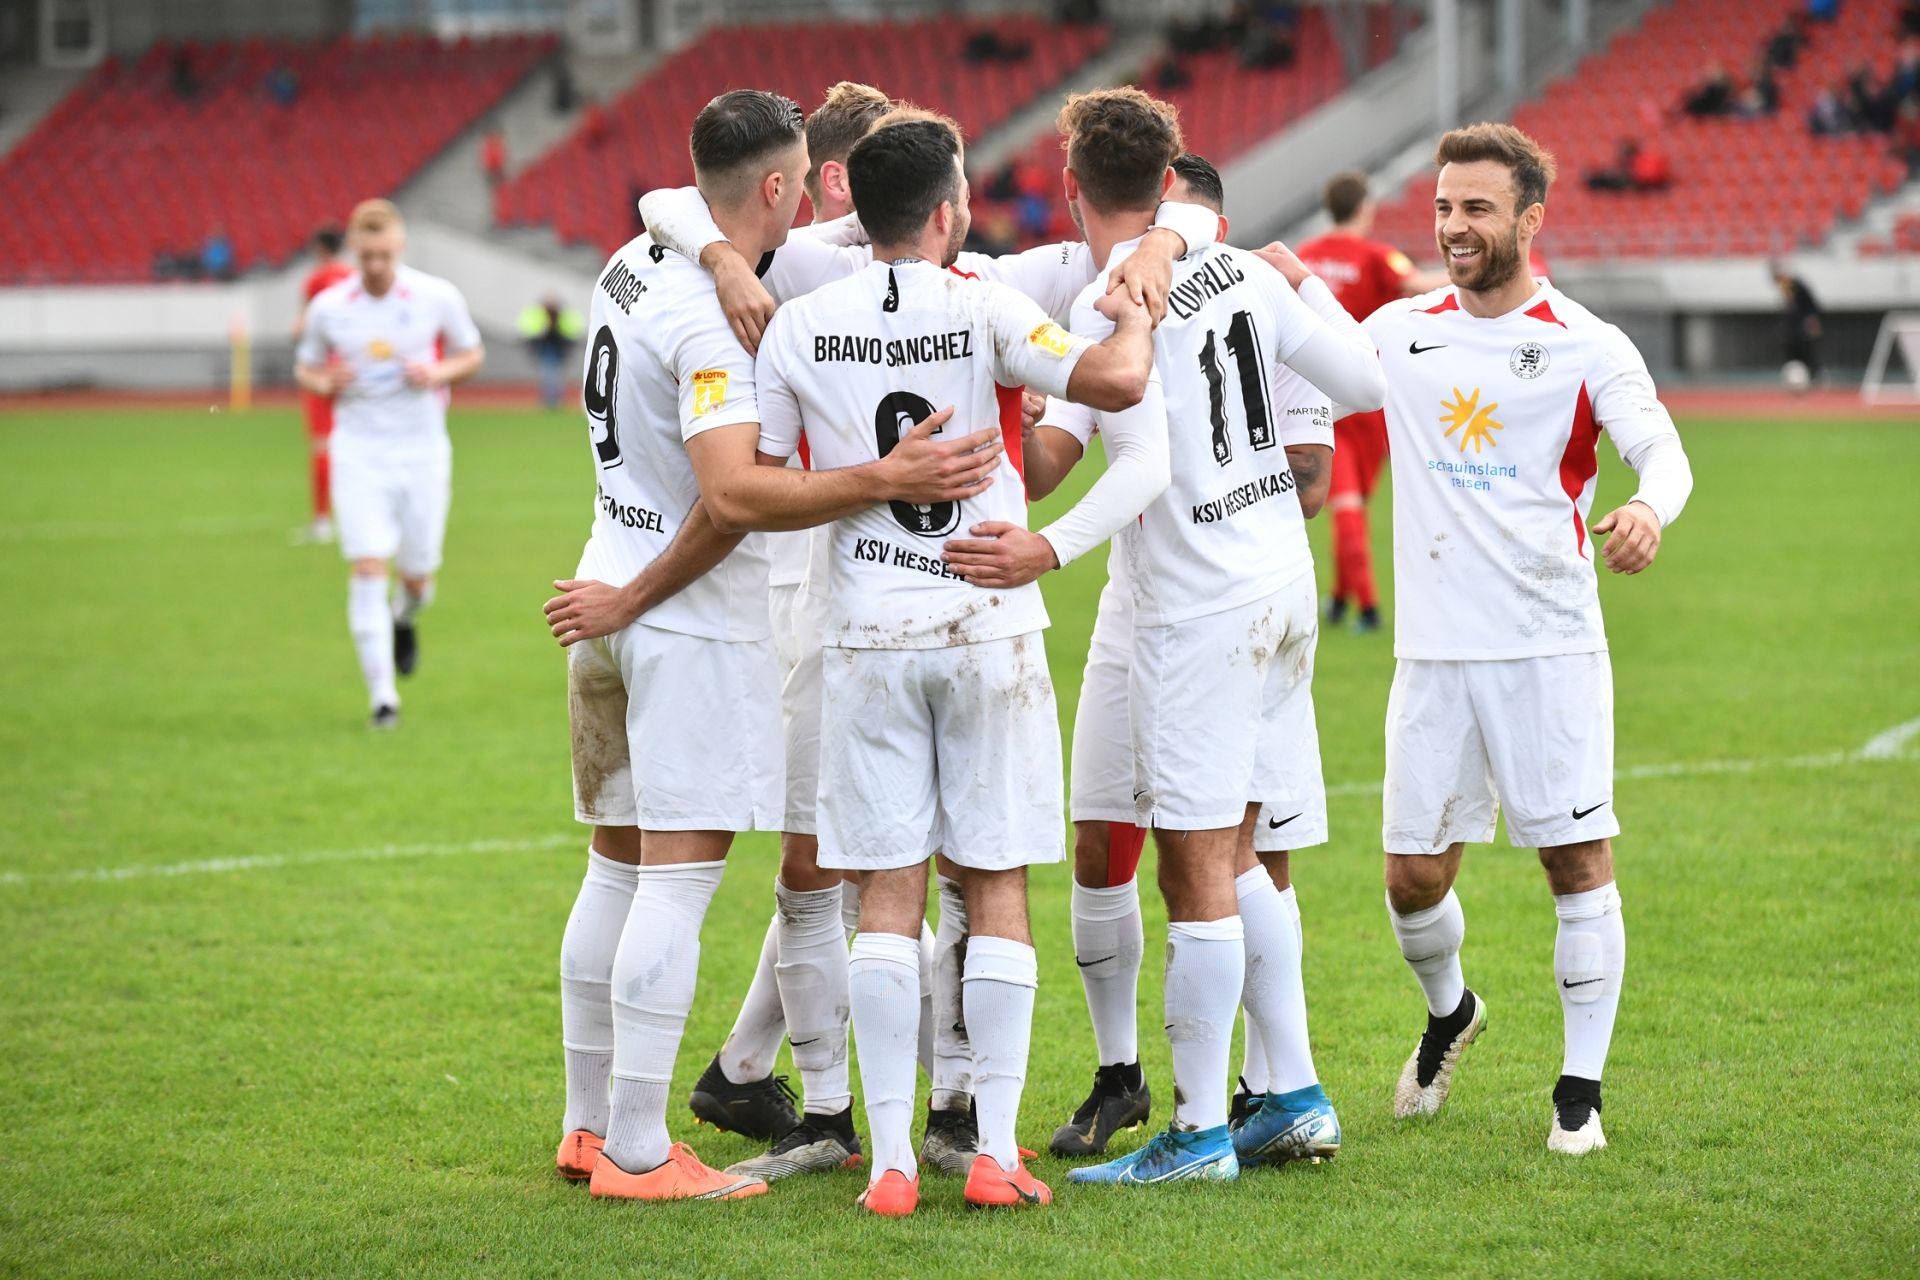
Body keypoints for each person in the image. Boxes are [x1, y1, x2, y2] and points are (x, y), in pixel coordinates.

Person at [635, 92, 1216, 1183]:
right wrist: (1140, 305)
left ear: (853, 197)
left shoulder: (799, 314)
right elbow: (1116, 383)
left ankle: (891, 1161)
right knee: (995, 882)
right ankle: (992, 1149)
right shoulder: (988, 302)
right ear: (949, 212)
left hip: (862, 629)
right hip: (986, 617)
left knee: (886, 891)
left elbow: (757, 481)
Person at [540, 88, 965, 1204]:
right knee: (675, 886)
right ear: (780, 186)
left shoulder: (633, 258)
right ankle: (638, 1148)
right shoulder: (707, 313)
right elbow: (731, 495)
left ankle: (587, 1126)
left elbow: (668, 200)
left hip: (604, 582)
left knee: (612, 870)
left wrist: (619, 595)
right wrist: (883, 476)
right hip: (671, 616)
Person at [956, 95, 1383, 1187]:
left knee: (1196, 861)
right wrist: (1306, 282)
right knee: (1236, 856)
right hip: (1277, 586)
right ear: (1172, 181)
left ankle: (1196, 1133)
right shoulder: (1241, 269)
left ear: (1069, 181)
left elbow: (1139, 466)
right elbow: (1369, 384)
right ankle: (1290, 1090)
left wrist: (1043, 549)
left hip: (1204, 605)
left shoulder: (1117, 299)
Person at [1364, 123, 1693, 1156]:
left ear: (1530, 219)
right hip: (1432, 655)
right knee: (1411, 877)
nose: (1455, 228)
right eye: (1444, 209)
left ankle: (1579, 1093)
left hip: (1549, 645)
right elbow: (1292, 361)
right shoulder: (1394, 329)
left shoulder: (1588, 344)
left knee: (1576, 858)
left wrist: (1649, 508)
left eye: (1477, 210)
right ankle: (1453, 1010)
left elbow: (1663, 451)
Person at [294, 200, 485, 729]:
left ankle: (406, 614)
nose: (376, 264)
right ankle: (383, 700)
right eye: (367, 254)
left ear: (398, 248)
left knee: (418, 578)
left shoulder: (436, 296)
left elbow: (472, 354)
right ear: (354, 250)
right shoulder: (330, 307)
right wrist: (321, 382)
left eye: (384, 254)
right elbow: (306, 366)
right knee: (367, 566)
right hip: (358, 452)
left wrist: (438, 371)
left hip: (422, 451)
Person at [1297, 171, 1447, 632]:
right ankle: (1369, 607)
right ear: (1365, 208)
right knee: (1348, 505)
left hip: (1313, 388)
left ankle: (1341, 599)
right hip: (1365, 400)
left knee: (1349, 502)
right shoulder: (1379, 256)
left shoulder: (1306, 256)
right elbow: (1419, 285)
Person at [292, 226, 353, 544]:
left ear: (319, 248)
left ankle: (321, 522)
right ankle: (358, 517)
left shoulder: (317, 280)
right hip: (353, 370)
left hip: (321, 372)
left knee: (322, 445)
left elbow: (300, 327)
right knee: (358, 443)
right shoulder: (354, 277)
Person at [518, 294, 584, 409]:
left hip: (557, 349)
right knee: (550, 374)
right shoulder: (545, 316)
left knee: (551, 374)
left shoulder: (559, 316)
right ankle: (552, 399)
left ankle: (553, 399)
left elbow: (568, 332)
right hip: (547, 348)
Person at [1773, 263, 1824, 383]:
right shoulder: (1785, 289)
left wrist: (1812, 321)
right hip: (1792, 328)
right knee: (1791, 349)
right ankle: (1796, 376)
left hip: (1803, 327)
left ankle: (1815, 374)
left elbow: (1812, 306)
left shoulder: (1799, 286)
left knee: (1806, 349)